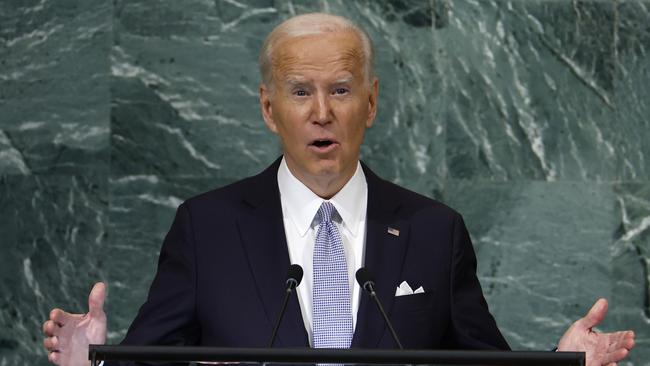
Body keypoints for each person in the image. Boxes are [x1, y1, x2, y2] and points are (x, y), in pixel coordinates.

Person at [42, 13, 635, 366]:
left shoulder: (434, 230)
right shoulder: (207, 227)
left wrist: (562, 365)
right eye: (300, 92)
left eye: (342, 90)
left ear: (372, 102)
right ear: (269, 109)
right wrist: (94, 361)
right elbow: (150, 362)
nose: (322, 113)